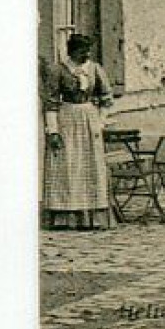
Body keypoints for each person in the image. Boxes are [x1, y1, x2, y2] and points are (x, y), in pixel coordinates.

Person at [41, 33, 115, 230]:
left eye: (88, 50)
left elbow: (107, 97)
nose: (87, 54)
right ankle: (66, 217)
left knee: (90, 165)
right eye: (83, 50)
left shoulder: (95, 69)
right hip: (66, 118)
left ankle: (91, 217)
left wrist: (100, 121)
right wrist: (53, 131)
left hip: (89, 119)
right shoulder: (58, 70)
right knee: (68, 165)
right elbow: (50, 102)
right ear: (72, 51)